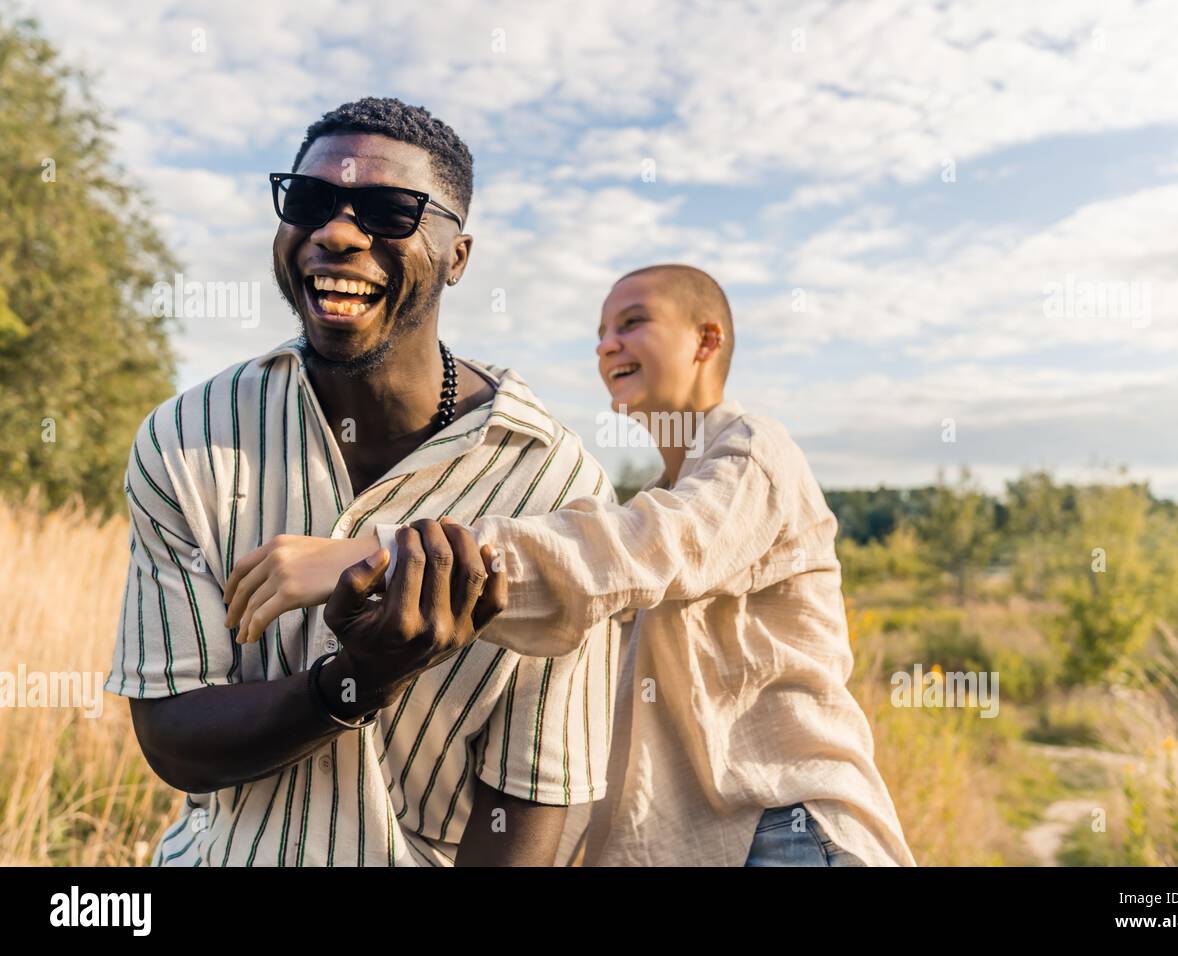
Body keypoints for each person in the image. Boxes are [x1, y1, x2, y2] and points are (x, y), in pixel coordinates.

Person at [229, 263, 916, 867]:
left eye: (634, 322)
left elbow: (638, 550)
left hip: (784, 831)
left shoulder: (755, 456)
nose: (607, 343)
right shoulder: (651, 500)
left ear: (707, 341)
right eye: (599, 331)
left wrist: (375, 552)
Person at [104, 96, 618, 867]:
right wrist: (359, 680)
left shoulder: (554, 483)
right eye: (310, 202)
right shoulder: (190, 438)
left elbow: (536, 794)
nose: (337, 233)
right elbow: (174, 739)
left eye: (387, 211)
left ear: (458, 256)